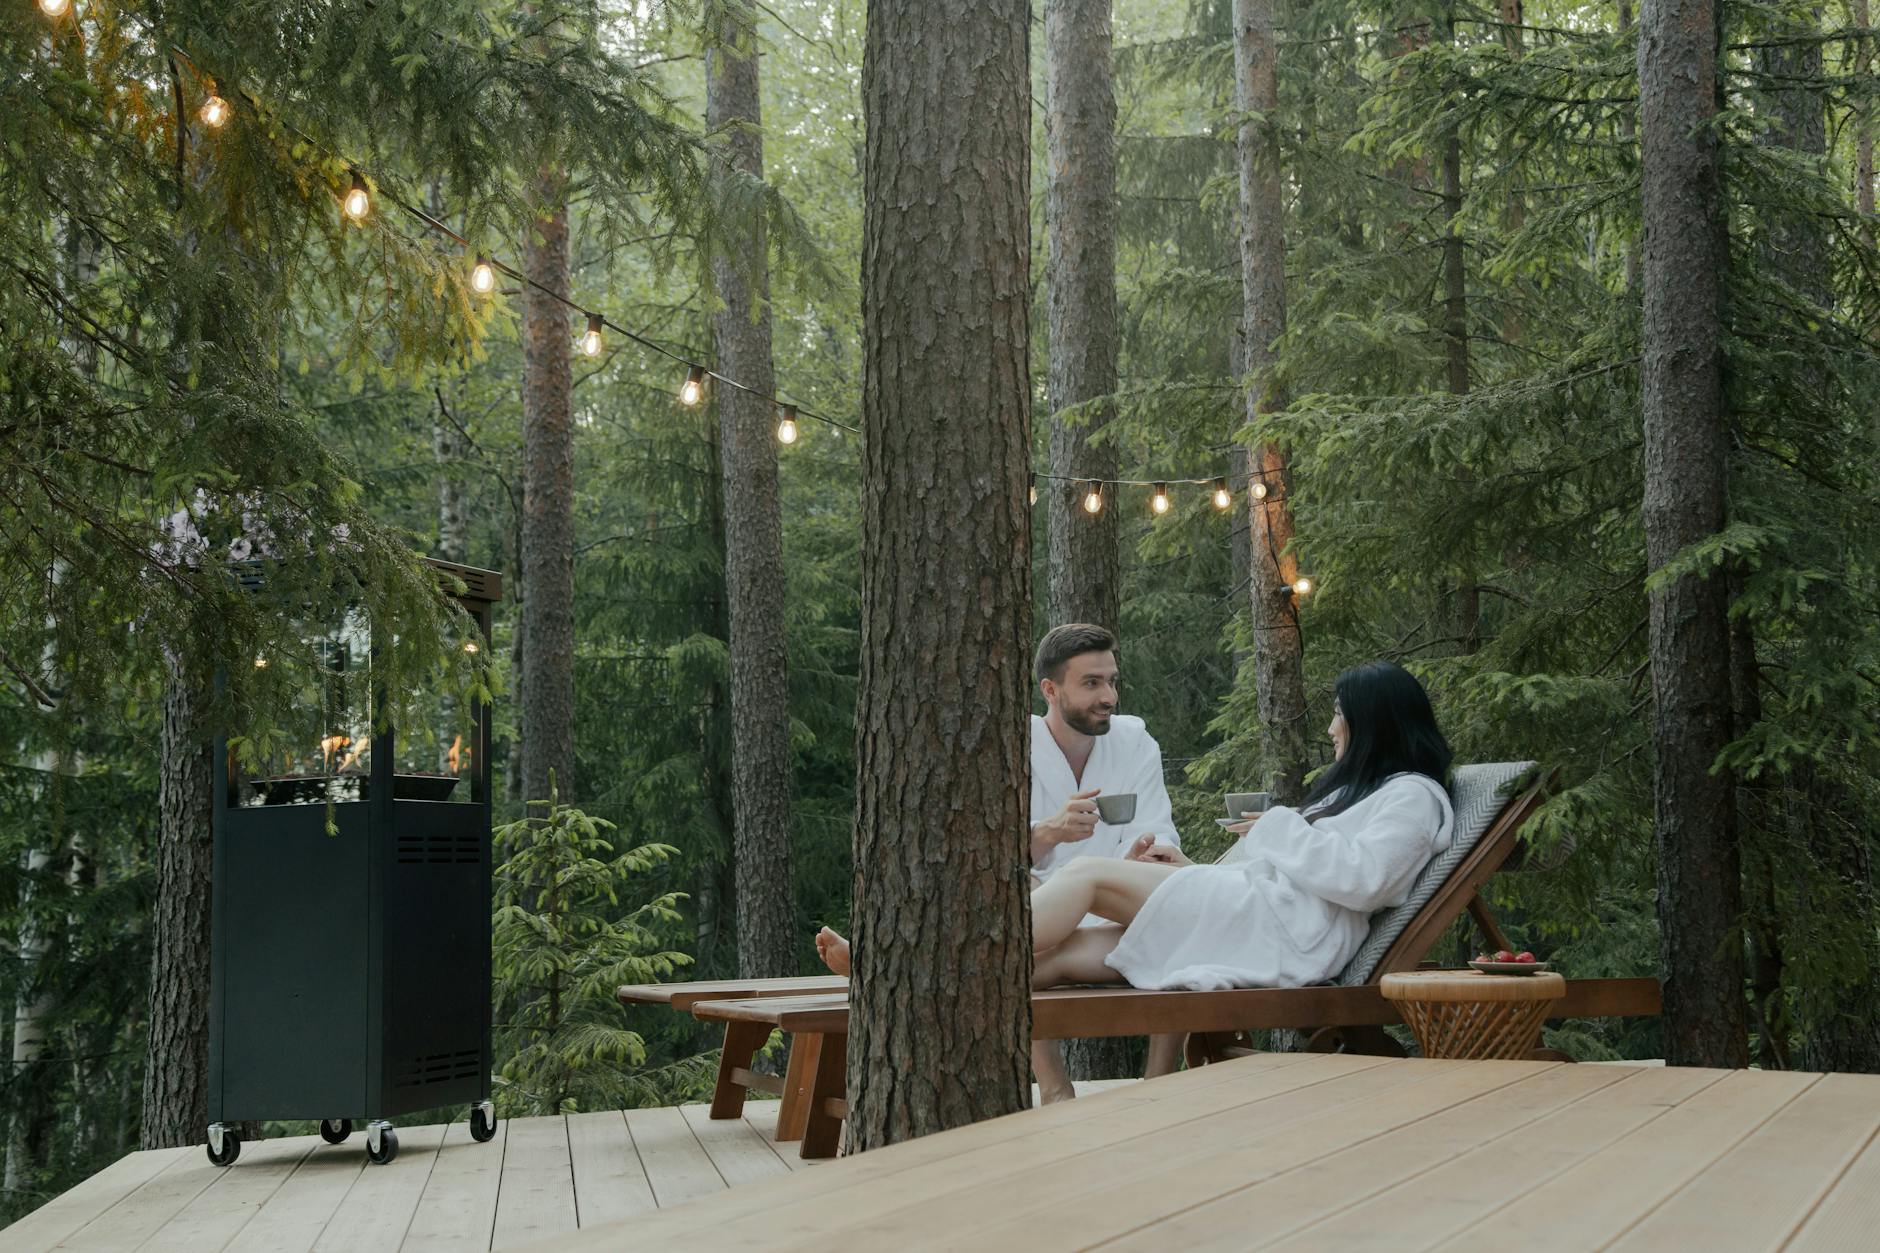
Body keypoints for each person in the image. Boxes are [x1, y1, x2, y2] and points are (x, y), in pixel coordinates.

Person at [815, 659, 1456, 1036]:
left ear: (1374, 723)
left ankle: (895, 957)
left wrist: (1278, 824)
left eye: (1341, 714)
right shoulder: (1375, 794)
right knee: (1064, 957)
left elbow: (1368, 881)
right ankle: (895, 980)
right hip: (1260, 917)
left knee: (1091, 874)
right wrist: (1192, 869)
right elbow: (1298, 872)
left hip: (1285, 932)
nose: (1331, 726)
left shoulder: (1414, 797)